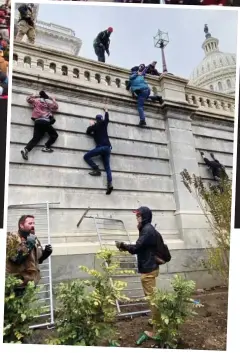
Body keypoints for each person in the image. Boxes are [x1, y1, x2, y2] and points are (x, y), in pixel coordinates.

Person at [115, 206, 165, 338]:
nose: (137, 218)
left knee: (152, 300)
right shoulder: (146, 229)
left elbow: (136, 248)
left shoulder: (147, 230)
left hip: (149, 270)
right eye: (136, 216)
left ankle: (157, 330)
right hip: (149, 267)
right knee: (151, 298)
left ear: (144, 217)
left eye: (138, 216)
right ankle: (156, 321)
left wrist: (123, 246)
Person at [6, 215, 52, 297]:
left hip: (30, 284)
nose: (33, 225)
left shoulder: (34, 238)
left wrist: (45, 254)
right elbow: (15, 259)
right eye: (30, 223)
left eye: (34, 223)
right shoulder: (12, 237)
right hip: (16, 285)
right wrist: (28, 245)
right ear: (21, 225)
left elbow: (37, 260)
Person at [83, 105, 113, 195]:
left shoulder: (95, 126)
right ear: (102, 118)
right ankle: (110, 184)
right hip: (108, 148)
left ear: (96, 120)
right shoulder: (104, 123)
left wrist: (91, 125)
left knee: (86, 156)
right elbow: (107, 118)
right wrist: (106, 110)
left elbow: (87, 132)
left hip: (100, 147)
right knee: (107, 167)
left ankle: (96, 169)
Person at [21, 91, 59, 161]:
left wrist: (33, 95)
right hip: (45, 121)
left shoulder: (36, 101)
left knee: (36, 138)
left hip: (37, 122)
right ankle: (46, 147)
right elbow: (56, 107)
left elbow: (28, 99)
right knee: (54, 135)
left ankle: (26, 149)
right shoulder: (48, 103)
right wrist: (53, 99)